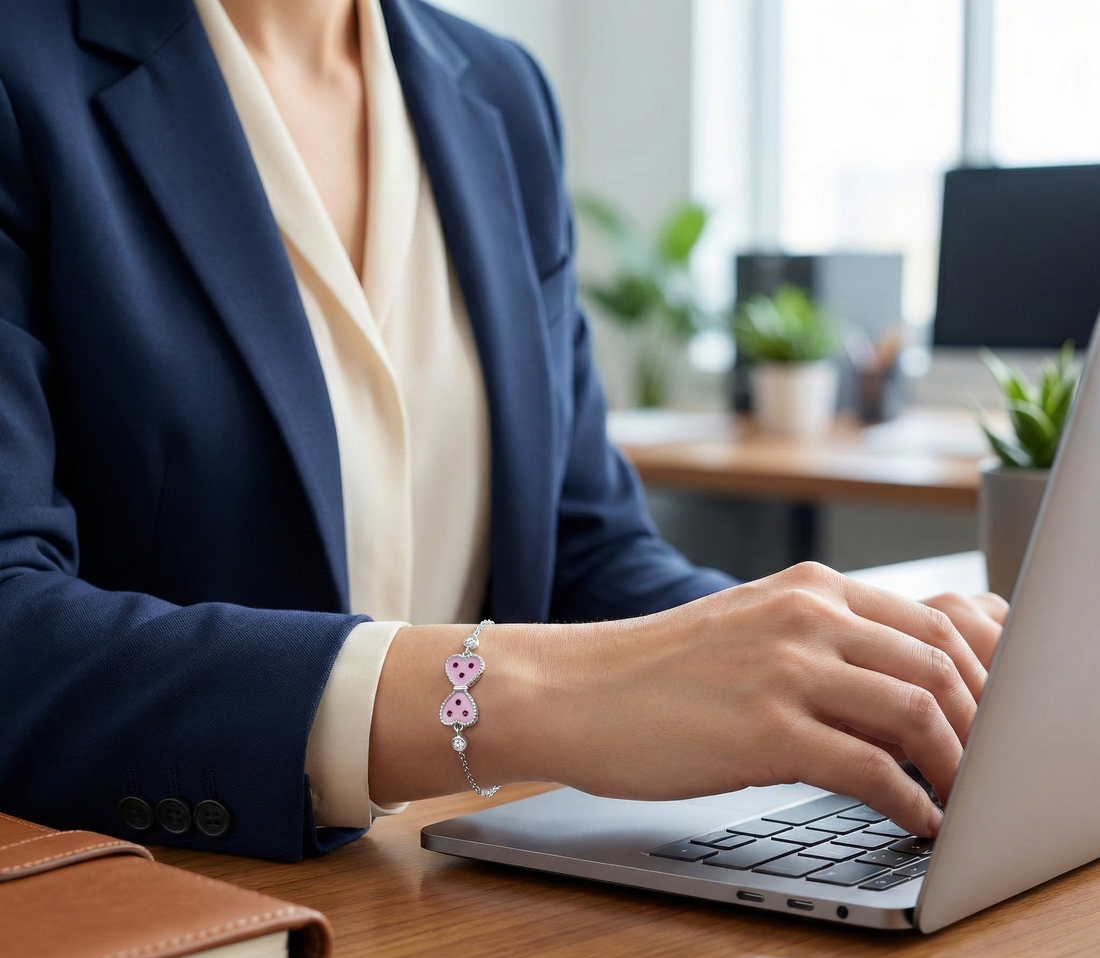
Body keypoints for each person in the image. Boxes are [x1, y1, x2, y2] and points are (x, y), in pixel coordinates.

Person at [0, 0, 1005, 862]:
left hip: (466, 926)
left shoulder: (499, 95)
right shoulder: (23, 68)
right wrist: (522, 698)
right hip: (196, 927)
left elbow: (584, 553)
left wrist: (859, 665)